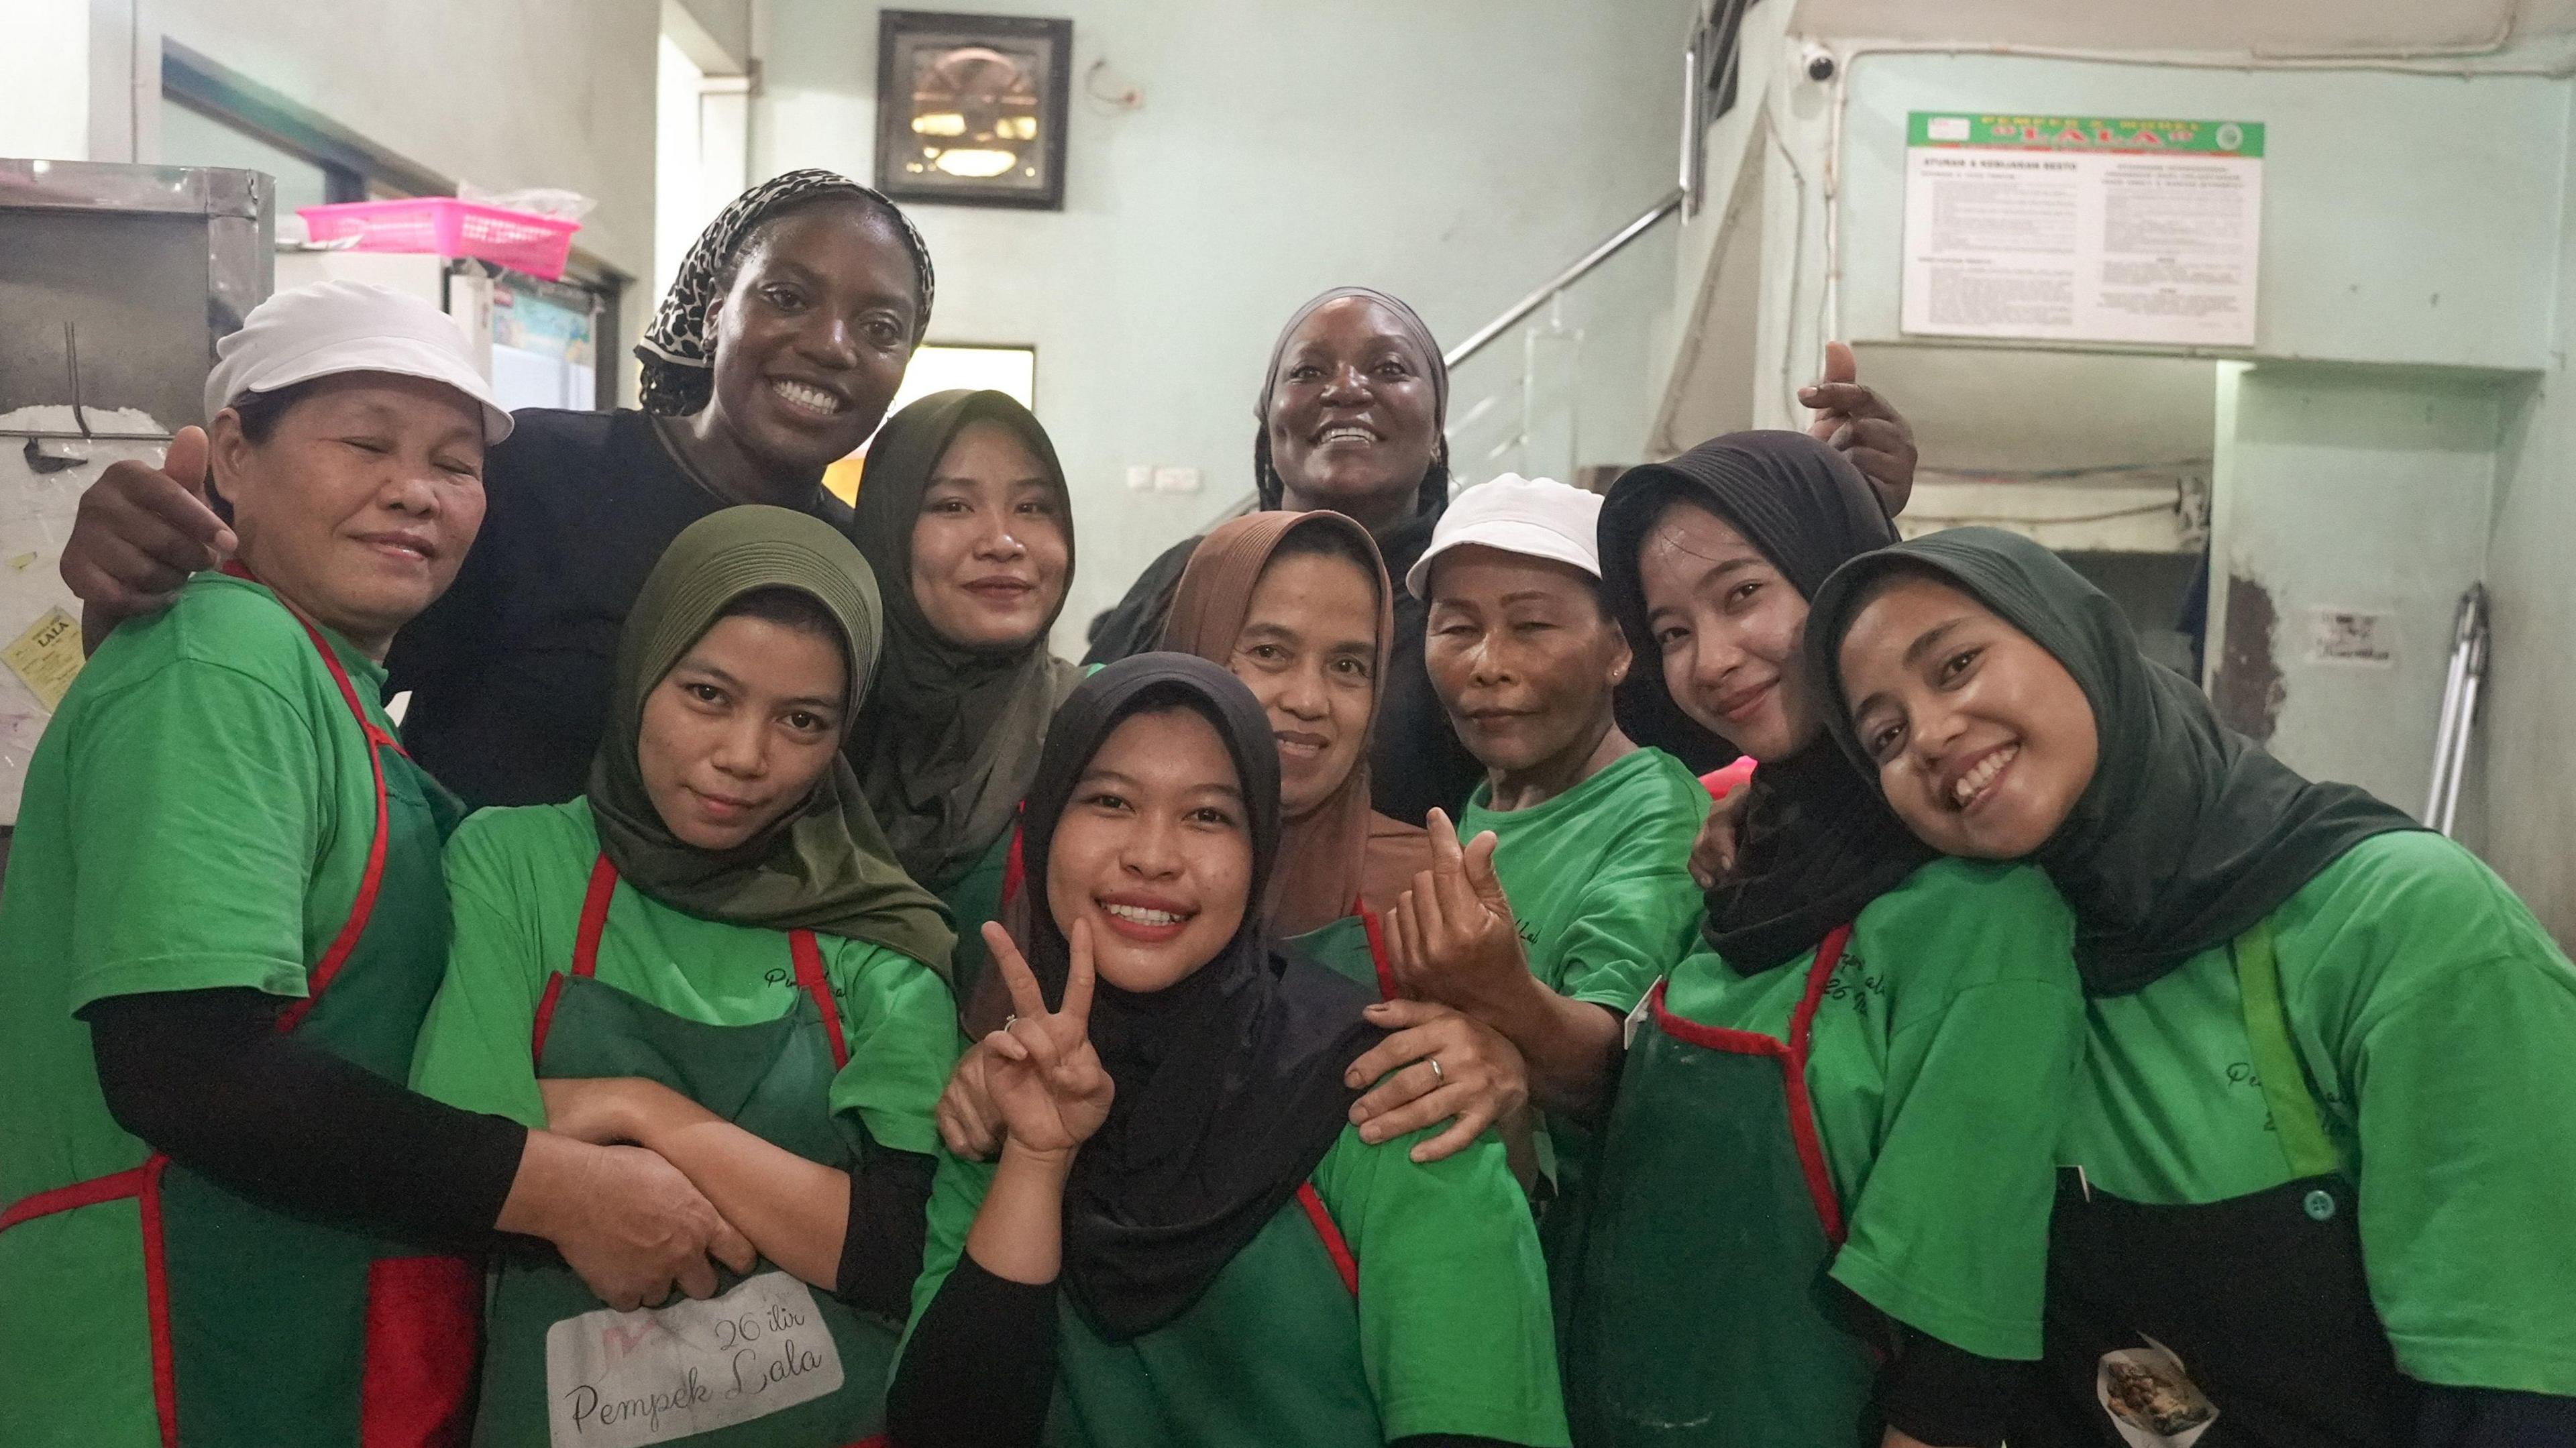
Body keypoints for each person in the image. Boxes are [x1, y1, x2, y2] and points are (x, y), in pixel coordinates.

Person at [0, 282, 751, 1448]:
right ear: (235, 453)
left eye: (456, 462)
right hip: (173, 1351)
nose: (416, 488)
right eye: (365, 442)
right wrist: (565, 1190)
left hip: (307, 1343)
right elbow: (181, 1064)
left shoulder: (343, 698)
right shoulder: (225, 657)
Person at [1809, 526, 2576, 1447]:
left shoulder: (2403, 927)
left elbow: (2517, 1391)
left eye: (1959, 663)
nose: (1929, 736)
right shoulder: (1994, 957)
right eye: (1884, 735)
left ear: (2075, 639)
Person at [58, 169, 938, 810]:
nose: (831, 344)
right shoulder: (540, 478)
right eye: (787, 295)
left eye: (880, 327)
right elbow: (280, 674)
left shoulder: (865, 568)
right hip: (449, 980)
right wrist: (138, 580)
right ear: (717, 312)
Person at [886, 655, 1569, 1448]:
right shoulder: (1009, 1091)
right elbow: (947, 1427)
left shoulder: (1392, 1089)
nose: (1153, 854)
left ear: (1260, 853)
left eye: (1209, 816)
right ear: (1042, 831)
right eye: (1109, 800)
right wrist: (1037, 1162)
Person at [1563, 437, 2086, 1448]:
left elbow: (1957, 1356)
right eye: (1671, 630)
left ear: (1840, 569)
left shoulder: (1981, 914)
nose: (1711, 661)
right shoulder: (1731, 870)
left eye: (1746, 590)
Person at [409, 505, 959, 1445]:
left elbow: (897, 1249)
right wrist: (794, 1197)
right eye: (708, 693)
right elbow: (459, 1153)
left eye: (802, 719)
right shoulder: (516, 862)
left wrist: (636, 1108)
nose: (745, 756)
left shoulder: (882, 932)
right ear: (640, 674)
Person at [934, 512, 1531, 1182]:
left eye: (1348, 666)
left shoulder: (1427, 894)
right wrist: (976, 1093)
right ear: (1196, 646)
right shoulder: (1075, 859)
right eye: (1269, 652)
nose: (1308, 699)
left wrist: (1503, 1082)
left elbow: (1505, 1183)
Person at [1393, 474, 1711, 1265]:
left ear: (1619, 648)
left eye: (1532, 625)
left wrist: (1497, 991)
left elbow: (1609, 1073)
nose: (1487, 664)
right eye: (1456, 627)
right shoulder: (1475, 805)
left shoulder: (1653, 808)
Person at [1082, 287, 1483, 826]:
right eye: (1309, 371)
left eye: (1388, 368)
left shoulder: (1471, 597)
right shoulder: (1187, 575)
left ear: (1437, 425)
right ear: (1267, 417)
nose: (1346, 389)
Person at [843, 388, 1080, 1000]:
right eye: (952, 505)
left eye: (1033, 506)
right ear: (887, 528)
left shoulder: (1099, 732)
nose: (1003, 541)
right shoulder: (815, 728)